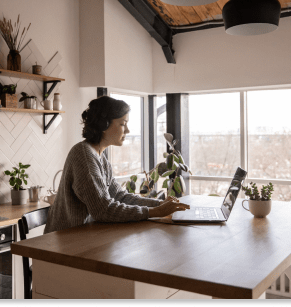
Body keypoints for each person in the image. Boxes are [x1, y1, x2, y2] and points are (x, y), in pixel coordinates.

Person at [44, 96, 190, 233]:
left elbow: (120, 196)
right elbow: (103, 210)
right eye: (123, 124)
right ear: (104, 125)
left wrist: (159, 204)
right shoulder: (84, 156)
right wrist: (154, 212)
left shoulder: (99, 157)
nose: (127, 130)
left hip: (83, 237)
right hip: (62, 245)